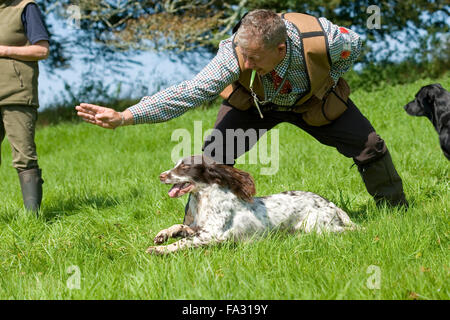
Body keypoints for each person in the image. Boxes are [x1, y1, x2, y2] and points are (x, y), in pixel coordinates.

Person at [76, 9, 408, 208]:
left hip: (313, 102)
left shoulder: (325, 39)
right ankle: (200, 229)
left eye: (253, 58)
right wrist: (126, 116)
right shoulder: (234, 54)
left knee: (370, 146)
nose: (244, 62)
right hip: (255, 104)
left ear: (280, 49)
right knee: (211, 160)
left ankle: (395, 213)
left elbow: (358, 47)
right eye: (242, 54)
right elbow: (190, 92)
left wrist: (326, 80)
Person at [0, 0, 50, 213]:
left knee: (24, 155)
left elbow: (41, 50)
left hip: (16, 94)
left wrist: (4, 50)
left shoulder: (25, 7)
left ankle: (33, 218)